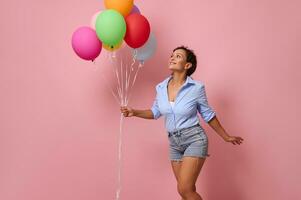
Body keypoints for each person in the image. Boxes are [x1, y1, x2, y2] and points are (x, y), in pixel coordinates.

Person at [120, 45, 244, 200]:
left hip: (194, 139)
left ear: (187, 65)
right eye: (172, 55)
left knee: (184, 189)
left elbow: (208, 114)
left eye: (178, 56)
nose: (172, 57)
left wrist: (226, 136)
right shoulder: (160, 87)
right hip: (174, 143)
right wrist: (134, 112)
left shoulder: (196, 88)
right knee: (186, 192)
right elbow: (155, 112)